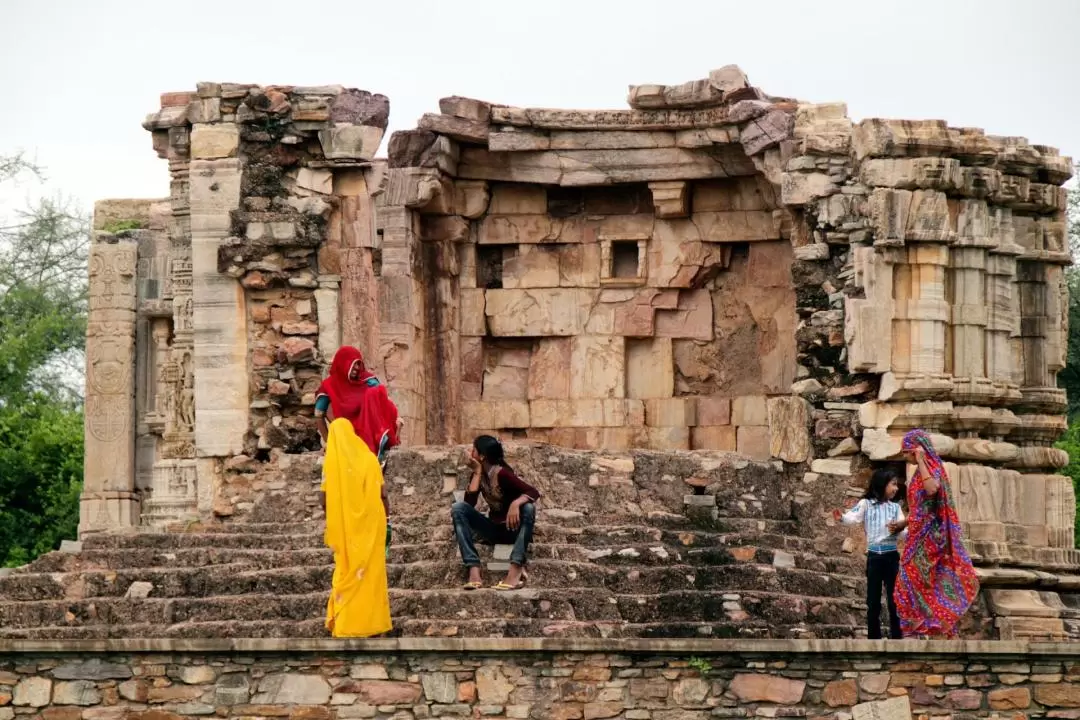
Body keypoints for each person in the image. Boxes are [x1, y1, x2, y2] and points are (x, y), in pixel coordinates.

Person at [889, 429, 980, 639]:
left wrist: (921, 461)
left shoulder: (932, 469)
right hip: (915, 536)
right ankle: (915, 630)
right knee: (908, 583)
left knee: (913, 581)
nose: (904, 456)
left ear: (917, 450)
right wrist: (904, 523)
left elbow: (932, 490)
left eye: (907, 452)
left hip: (929, 538)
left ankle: (925, 628)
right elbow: (920, 509)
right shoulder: (918, 473)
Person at [321, 417, 392, 637]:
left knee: (347, 569)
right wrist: (388, 519)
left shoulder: (332, 464)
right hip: (373, 524)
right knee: (371, 572)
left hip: (347, 528)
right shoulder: (369, 459)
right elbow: (384, 494)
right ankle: (373, 625)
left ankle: (347, 625)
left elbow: (323, 501)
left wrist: (338, 515)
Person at [451, 435, 541, 591]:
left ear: (482, 455)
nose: (470, 452)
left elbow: (532, 491)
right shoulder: (480, 474)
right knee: (458, 509)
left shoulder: (502, 473)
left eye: (474, 449)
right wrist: (477, 472)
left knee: (528, 508)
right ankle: (474, 568)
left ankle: (515, 569)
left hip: (514, 529)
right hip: (494, 529)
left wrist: (516, 503)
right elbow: (469, 504)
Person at [834, 467, 907, 640]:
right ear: (882, 484)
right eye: (893, 484)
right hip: (874, 557)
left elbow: (904, 532)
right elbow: (853, 517)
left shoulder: (895, 508)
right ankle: (873, 637)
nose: (896, 488)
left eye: (896, 485)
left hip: (891, 557)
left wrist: (904, 528)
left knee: (893, 599)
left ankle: (897, 637)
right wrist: (842, 518)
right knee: (873, 600)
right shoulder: (865, 504)